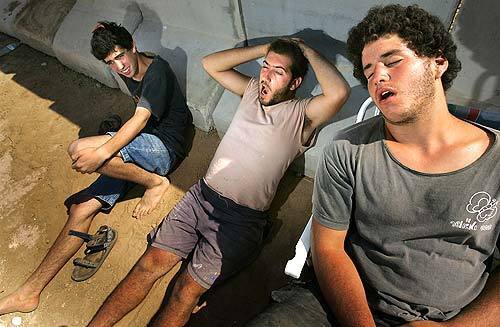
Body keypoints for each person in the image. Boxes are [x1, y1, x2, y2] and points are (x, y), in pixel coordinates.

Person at [87, 37, 350, 326]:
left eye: (278, 72)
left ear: (295, 82)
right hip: (201, 197)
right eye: (265, 67)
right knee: (147, 266)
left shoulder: (302, 115)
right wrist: (265, 49)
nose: (266, 75)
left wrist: (306, 49)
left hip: (240, 220)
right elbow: (211, 64)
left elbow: (338, 93)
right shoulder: (251, 91)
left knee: (184, 291)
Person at [311, 4, 499, 327]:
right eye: (369, 73)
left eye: (393, 61)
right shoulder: (346, 151)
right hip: (350, 306)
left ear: (438, 62)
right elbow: (327, 248)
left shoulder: (495, 161)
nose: (378, 77)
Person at [0, 21, 192, 315]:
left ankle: (155, 183)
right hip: (144, 143)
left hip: (165, 148)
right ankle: (29, 292)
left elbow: (140, 119)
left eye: (120, 56)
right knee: (81, 210)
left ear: (133, 47)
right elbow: (138, 118)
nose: (119, 66)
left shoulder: (157, 72)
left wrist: (104, 150)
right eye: (110, 62)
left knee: (82, 150)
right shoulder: (128, 70)